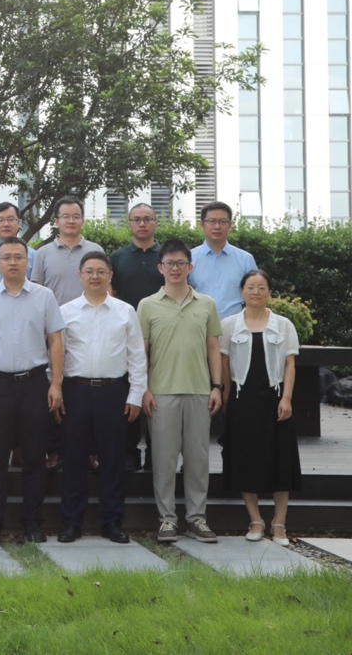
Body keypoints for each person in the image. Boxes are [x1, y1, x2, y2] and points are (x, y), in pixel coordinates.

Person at [0, 237, 65, 546]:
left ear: (28, 261)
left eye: (19, 257)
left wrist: (56, 383)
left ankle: (33, 523)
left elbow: (55, 340)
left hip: (34, 384)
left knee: (34, 457)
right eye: (7, 257)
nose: (13, 262)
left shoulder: (44, 296)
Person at [56, 252, 147, 545]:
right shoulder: (65, 311)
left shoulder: (125, 311)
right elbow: (57, 354)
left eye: (100, 271)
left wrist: (135, 394)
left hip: (113, 391)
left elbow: (137, 355)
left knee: (113, 458)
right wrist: (55, 388)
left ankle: (112, 521)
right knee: (73, 458)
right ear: (80, 275)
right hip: (75, 390)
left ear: (110, 276)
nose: (95, 276)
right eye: (89, 271)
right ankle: (72, 522)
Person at [138, 239, 223, 544]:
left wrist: (217, 386)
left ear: (190, 267)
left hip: (200, 392)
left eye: (181, 263)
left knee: (198, 459)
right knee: (164, 460)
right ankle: (167, 519)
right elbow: (141, 352)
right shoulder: (147, 305)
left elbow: (213, 348)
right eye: (169, 263)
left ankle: (197, 519)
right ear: (160, 268)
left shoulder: (206, 304)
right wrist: (144, 388)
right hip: (161, 394)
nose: (175, 268)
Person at [219, 270, 301, 547]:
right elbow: (224, 365)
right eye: (250, 287)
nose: (256, 292)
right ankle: (255, 520)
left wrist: (286, 399)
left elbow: (290, 364)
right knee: (245, 458)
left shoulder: (283, 325)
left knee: (281, 459)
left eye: (261, 287)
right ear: (241, 291)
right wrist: (226, 401)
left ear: (269, 292)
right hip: (242, 401)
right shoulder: (229, 325)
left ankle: (279, 523)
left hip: (275, 399)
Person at [31, 196, 102, 471]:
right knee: (54, 387)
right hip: (52, 332)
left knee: (87, 390)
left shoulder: (95, 249)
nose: (70, 221)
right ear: (56, 221)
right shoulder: (42, 253)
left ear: (82, 219)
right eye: (65, 216)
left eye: (75, 216)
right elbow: (36, 291)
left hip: (88, 329)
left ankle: (89, 451)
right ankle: (54, 450)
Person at [109, 202, 165, 472]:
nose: (142, 224)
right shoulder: (117, 257)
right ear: (129, 224)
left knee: (159, 394)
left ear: (156, 223)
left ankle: (156, 455)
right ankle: (129, 453)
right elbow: (112, 296)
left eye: (147, 219)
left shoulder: (167, 256)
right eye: (136, 219)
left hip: (162, 336)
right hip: (126, 335)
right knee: (129, 391)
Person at [189, 201, 258, 318]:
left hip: (235, 325)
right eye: (211, 221)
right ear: (201, 224)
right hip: (198, 324)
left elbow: (255, 296)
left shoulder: (245, 259)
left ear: (230, 225)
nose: (217, 226)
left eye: (223, 221)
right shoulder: (189, 258)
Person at [0, 202, 36, 278]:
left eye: (11, 219)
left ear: (19, 223)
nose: (6, 224)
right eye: (0, 220)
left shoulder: (34, 256)